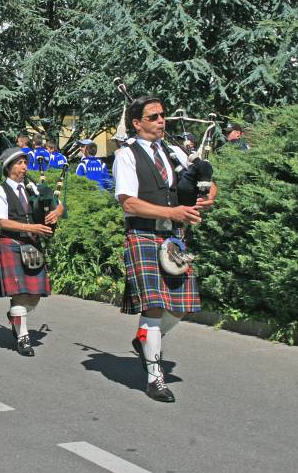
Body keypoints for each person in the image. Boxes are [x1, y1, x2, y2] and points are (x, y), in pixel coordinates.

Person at [112, 95, 217, 403]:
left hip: (173, 237)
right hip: (143, 234)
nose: (161, 121)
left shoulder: (172, 153)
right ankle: (155, 378)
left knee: (182, 306)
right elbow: (128, 202)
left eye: (162, 116)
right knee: (154, 306)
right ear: (137, 123)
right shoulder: (126, 156)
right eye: (154, 116)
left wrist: (208, 192)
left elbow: (203, 181)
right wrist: (172, 213)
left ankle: (144, 340)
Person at [0, 147, 62, 356]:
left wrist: (57, 211)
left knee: (35, 295)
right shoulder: (0, 190)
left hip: (32, 245)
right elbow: (1, 221)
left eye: (25, 163)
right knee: (19, 295)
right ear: (8, 167)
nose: (24, 167)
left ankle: (16, 315)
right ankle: (23, 338)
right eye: (19, 163)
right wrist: (32, 228)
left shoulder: (33, 188)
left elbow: (58, 205)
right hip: (11, 243)